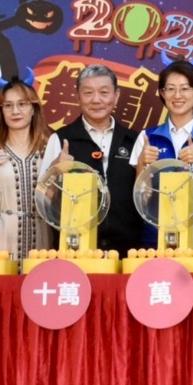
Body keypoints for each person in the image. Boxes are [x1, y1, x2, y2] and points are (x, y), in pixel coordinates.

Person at [40, 64, 145, 253]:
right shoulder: (61, 139)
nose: (96, 100)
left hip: (129, 250)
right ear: (78, 97)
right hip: (75, 249)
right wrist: (55, 170)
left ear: (116, 96)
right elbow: (44, 198)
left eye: (104, 92)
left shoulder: (134, 140)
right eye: (88, 93)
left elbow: (146, 195)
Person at [131, 60, 193, 250]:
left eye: (184, 89)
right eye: (170, 89)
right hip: (156, 240)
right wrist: (142, 164)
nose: (177, 95)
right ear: (162, 93)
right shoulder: (147, 138)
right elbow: (143, 199)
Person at [0, 78, 53, 259]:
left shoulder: (48, 151)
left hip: (41, 237)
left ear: (33, 109)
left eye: (22, 104)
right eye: (8, 105)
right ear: (1, 111)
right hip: (1, 235)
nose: (15, 111)